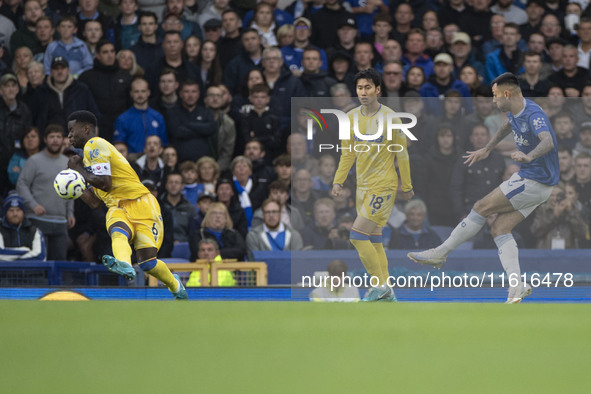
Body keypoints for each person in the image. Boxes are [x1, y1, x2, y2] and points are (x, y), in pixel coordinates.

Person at [408, 72, 560, 304]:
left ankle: (441, 253)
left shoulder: (534, 114)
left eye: (496, 95)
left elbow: (547, 141)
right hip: (538, 185)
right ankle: (516, 286)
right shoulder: (517, 111)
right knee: (499, 228)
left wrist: (529, 157)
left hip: (533, 181)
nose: (493, 101)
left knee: (481, 207)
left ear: (507, 93)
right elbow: (507, 126)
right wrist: (488, 148)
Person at [66, 110, 187, 299]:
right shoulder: (88, 160)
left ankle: (174, 283)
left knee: (148, 263)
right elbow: (96, 203)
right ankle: (124, 263)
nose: (69, 135)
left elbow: (105, 183)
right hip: (117, 206)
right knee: (117, 231)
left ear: (86, 128)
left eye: (72, 130)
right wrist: (76, 188)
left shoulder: (95, 144)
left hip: (141, 203)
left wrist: (78, 170)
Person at [330, 68, 413, 302]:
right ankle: (388, 291)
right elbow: (347, 154)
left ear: (378, 90)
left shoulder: (391, 118)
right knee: (375, 239)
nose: (363, 92)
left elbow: (402, 154)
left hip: (384, 185)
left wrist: (406, 185)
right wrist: (338, 180)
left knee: (357, 236)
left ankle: (379, 286)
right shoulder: (351, 118)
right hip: (362, 187)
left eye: (368, 87)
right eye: (359, 88)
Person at [16, 124, 74, 260]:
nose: (55, 140)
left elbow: (71, 188)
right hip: (37, 221)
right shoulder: (34, 161)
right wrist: (33, 205)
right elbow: (21, 184)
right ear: (45, 140)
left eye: (58, 137)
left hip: (60, 222)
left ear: (63, 140)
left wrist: (70, 212)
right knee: (39, 263)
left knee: (59, 263)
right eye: (52, 137)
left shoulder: (68, 163)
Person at [78, 40, 133, 142]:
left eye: (112, 51)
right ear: (98, 55)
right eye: (105, 52)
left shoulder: (126, 76)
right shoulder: (87, 77)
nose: (110, 55)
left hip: (122, 128)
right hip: (97, 128)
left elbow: (131, 103)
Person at [113, 78, 167, 154]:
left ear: (149, 92)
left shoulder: (158, 117)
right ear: (131, 93)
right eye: (136, 91)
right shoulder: (122, 119)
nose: (140, 95)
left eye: (143, 91)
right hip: (132, 160)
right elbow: (119, 145)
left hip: (154, 160)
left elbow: (163, 143)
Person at [0, 192, 46, 261]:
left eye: (18, 210)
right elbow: (1, 254)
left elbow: (41, 256)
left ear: (23, 212)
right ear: (5, 213)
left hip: (31, 272)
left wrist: (13, 259)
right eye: (11, 210)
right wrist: (25, 251)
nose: (15, 214)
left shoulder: (34, 231)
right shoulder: (1, 230)